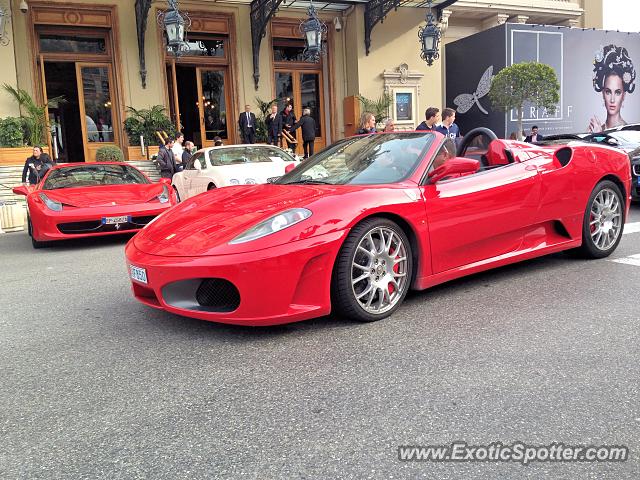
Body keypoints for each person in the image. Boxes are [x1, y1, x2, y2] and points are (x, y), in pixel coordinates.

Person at [588, 44, 636, 133]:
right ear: (603, 93)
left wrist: (599, 137)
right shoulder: (596, 130)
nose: (612, 100)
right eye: (608, 92)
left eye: (617, 92)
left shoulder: (629, 132)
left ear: (624, 95)